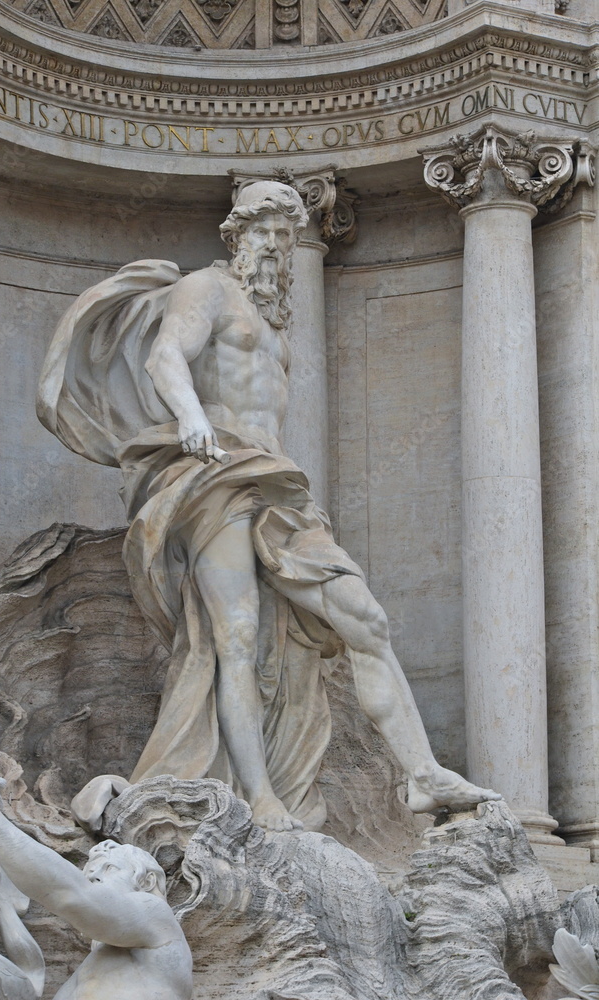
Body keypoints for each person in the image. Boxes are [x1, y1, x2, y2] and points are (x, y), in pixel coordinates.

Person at [38, 180, 500, 833]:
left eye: (288, 233)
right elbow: (166, 355)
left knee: (364, 619)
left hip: (276, 484)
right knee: (237, 639)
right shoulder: (209, 288)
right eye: (265, 230)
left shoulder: (276, 320)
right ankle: (258, 797)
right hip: (212, 473)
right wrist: (192, 416)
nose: (278, 245)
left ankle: (422, 774)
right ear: (237, 234)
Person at [0, 755, 193, 1000]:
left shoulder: (159, 921)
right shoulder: (91, 971)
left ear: (146, 882)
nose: (92, 875)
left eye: (107, 868)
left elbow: (72, 895)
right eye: (87, 871)